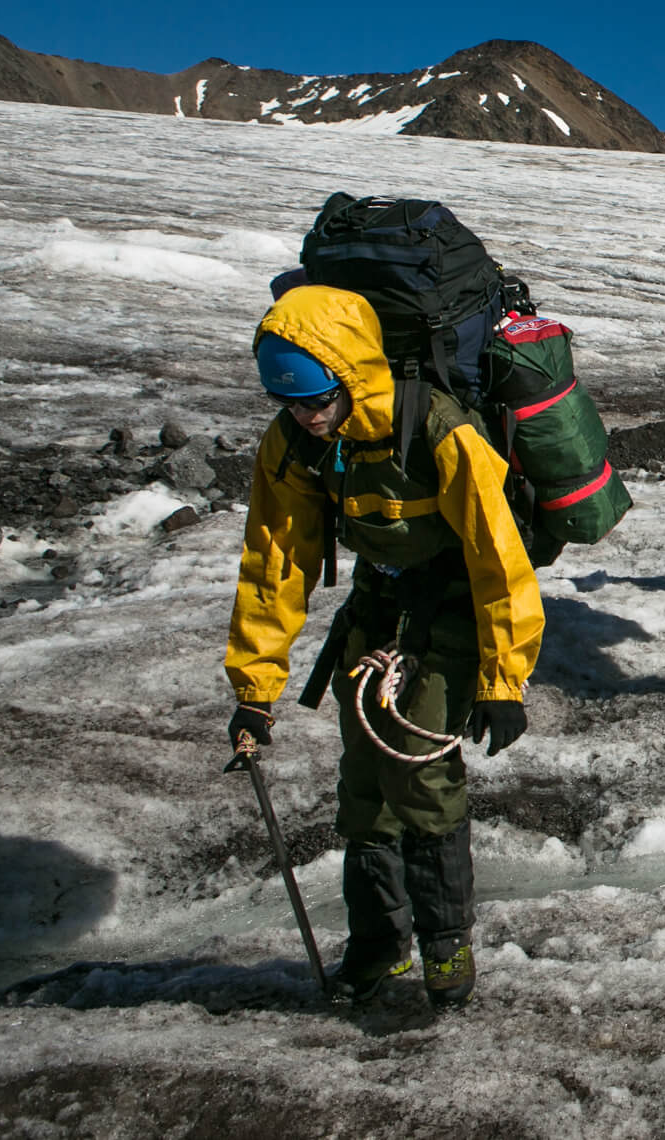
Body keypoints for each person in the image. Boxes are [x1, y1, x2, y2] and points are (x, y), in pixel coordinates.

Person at [224, 284, 543, 1008]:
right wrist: (254, 691)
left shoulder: (435, 428)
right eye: (292, 405)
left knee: (421, 777)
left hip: (452, 608)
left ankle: (444, 948)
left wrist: (502, 679)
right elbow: (275, 562)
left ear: (349, 377)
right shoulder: (298, 443)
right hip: (376, 611)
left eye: (315, 401)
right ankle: (378, 948)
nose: (305, 418)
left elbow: (500, 559)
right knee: (365, 788)